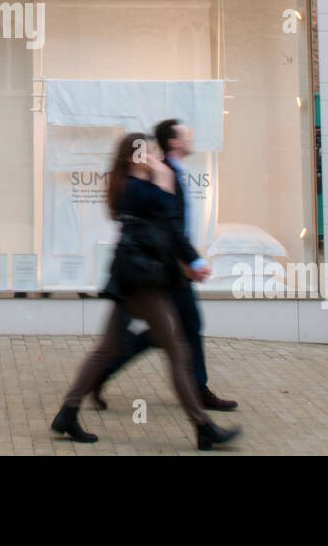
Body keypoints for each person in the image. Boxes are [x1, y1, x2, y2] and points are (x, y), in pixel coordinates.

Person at [51, 133, 240, 451]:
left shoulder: (138, 186)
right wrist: (165, 176)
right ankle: (203, 427)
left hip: (140, 276)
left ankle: (67, 413)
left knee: (108, 349)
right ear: (131, 157)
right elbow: (167, 212)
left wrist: (191, 259)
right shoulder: (132, 188)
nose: (154, 155)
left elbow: (170, 228)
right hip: (141, 280)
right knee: (177, 351)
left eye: (154, 150)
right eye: (148, 151)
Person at [91, 119, 237, 412]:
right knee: (178, 331)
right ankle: (198, 400)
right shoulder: (160, 176)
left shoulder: (168, 173)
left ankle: (98, 376)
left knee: (164, 334)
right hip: (161, 270)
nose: (190, 138)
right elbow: (168, 226)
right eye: (185, 134)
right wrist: (189, 260)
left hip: (160, 268)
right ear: (173, 142)